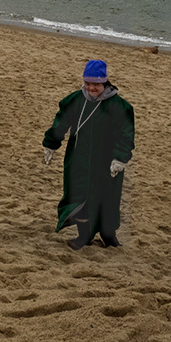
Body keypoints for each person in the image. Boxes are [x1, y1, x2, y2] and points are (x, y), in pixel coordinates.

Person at [41, 59, 135, 249]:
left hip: (107, 162)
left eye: (96, 84)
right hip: (79, 159)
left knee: (107, 198)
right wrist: (51, 144)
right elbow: (61, 122)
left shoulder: (119, 106)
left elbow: (126, 134)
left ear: (105, 83)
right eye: (88, 83)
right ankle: (84, 236)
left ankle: (109, 235)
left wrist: (120, 158)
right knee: (80, 196)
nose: (91, 88)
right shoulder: (76, 100)